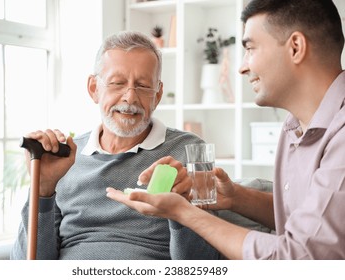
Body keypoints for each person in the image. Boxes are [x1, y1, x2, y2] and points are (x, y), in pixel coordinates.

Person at [107, 0, 345, 259]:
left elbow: (299, 259)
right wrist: (236, 197)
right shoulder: (294, 127)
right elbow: (302, 216)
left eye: (250, 49)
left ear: (296, 47)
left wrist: (184, 213)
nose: (242, 67)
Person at [10, 30, 219, 260]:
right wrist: (43, 189)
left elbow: (204, 266)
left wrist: (183, 210)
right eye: (117, 83)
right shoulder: (62, 157)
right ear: (93, 88)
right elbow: (26, 264)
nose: (130, 97)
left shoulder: (193, 152)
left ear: (157, 95)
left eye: (143, 85)